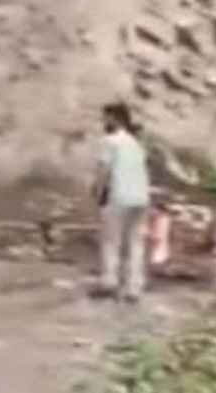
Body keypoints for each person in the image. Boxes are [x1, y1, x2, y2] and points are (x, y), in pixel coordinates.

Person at [90, 103, 151, 303]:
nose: (103, 122)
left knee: (111, 241)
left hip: (118, 196)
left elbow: (104, 170)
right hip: (140, 198)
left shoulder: (110, 141)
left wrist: (98, 193)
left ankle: (109, 282)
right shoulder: (135, 143)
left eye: (106, 118)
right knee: (136, 243)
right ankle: (134, 287)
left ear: (116, 119)